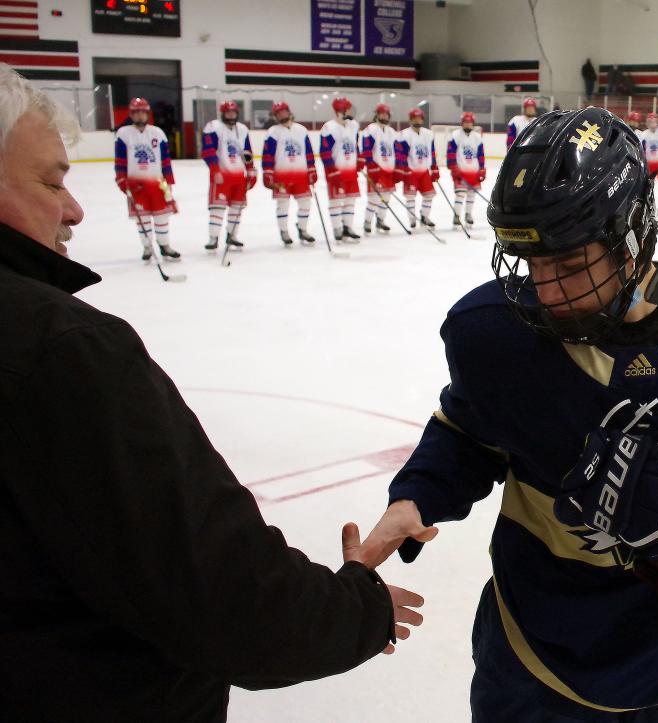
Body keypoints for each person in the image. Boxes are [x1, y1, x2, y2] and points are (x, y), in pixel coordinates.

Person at [360, 106, 658, 722]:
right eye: (532, 265)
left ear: (632, 238)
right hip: (538, 651)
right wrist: (415, 497)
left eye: (570, 266)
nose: (546, 292)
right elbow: (471, 433)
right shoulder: (495, 337)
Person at [0, 63, 425, 722]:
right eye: (53, 179)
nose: (75, 206)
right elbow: (226, 599)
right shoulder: (60, 350)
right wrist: (357, 608)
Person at [114, 97, 181, 261]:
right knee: (142, 218)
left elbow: (165, 160)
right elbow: (120, 161)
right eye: (136, 113)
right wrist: (121, 180)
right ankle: (147, 247)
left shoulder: (158, 133)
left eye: (143, 113)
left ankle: (164, 246)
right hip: (136, 185)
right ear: (131, 114)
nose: (140, 116)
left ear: (147, 114)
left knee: (161, 216)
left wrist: (169, 181)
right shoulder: (124, 134)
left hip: (158, 184)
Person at [201, 100, 256, 251]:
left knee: (236, 208)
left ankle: (232, 236)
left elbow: (247, 152)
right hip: (221, 175)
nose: (231, 115)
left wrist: (251, 171)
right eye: (228, 112)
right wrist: (215, 170)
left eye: (233, 112)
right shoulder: (213, 127)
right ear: (223, 113)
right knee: (217, 208)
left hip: (239, 176)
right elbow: (207, 151)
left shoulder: (242, 129)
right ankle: (213, 238)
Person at [262, 101, 318, 245]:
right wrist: (267, 173)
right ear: (275, 116)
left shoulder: (301, 130)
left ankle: (302, 229)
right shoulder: (273, 132)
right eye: (278, 113)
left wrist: (312, 169)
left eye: (283, 112)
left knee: (305, 203)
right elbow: (267, 155)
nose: (282, 115)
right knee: (283, 204)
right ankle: (284, 231)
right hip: (281, 176)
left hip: (301, 175)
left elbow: (309, 153)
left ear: (289, 112)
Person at [319, 96, 363, 241]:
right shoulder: (329, 127)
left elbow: (355, 145)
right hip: (336, 171)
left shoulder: (354, 125)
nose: (351, 112)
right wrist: (331, 171)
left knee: (351, 200)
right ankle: (337, 228)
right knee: (336, 201)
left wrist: (359, 161)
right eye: (348, 109)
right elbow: (324, 152)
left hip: (350, 170)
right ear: (340, 111)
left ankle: (347, 227)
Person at [396, 107, 439, 228]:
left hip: (424, 171)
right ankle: (412, 219)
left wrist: (434, 168)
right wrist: (402, 170)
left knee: (429, 195)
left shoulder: (428, 134)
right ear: (410, 119)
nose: (417, 120)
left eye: (419, 118)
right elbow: (401, 155)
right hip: (411, 171)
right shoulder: (404, 134)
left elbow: (432, 152)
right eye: (415, 118)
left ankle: (424, 216)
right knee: (410, 196)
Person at [360, 102, 399, 234]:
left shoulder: (391, 131)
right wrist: (371, 166)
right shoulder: (370, 129)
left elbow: (397, 150)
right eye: (381, 113)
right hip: (376, 169)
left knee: (386, 197)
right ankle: (367, 221)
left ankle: (380, 220)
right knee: (374, 198)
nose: (384, 116)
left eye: (386, 114)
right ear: (376, 115)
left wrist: (398, 167)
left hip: (389, 169)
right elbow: (366, 149)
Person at [447, 111, 486, 227]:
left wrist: (482, 169)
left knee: (471, 194)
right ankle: (457, 215)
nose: (467, 125)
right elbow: (450, 153)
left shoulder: (477, 137)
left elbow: (480, 155)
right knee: (460, 194)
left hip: (473, 171)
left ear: (473, 123)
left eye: (469, 123)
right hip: (460, 170)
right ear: (462, 123)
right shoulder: (455, 135)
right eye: (465, 122)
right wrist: (453, 167)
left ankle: (468, 214)